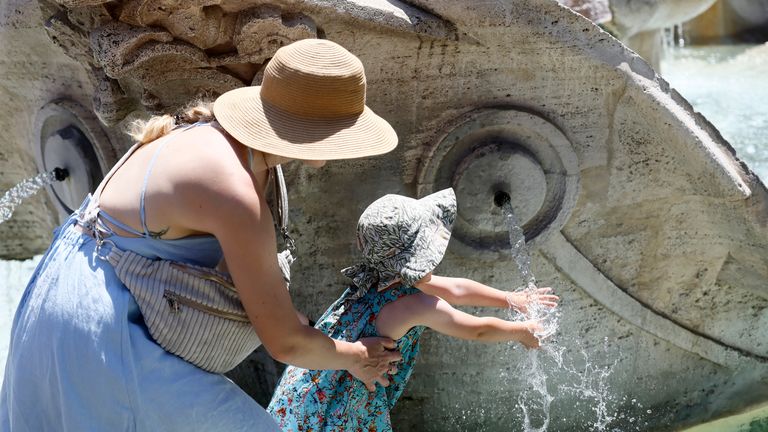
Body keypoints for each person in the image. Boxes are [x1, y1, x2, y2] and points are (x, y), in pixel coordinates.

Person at [0, 38, 403, 431]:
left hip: (72, 295)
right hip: (99, 330)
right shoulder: (235, 193)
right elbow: (286, 344)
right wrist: (355, 356)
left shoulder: (220, 136)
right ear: (320, 134)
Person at [267, 188, 559, 431]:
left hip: (310, 390)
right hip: (342, 411)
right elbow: (477, 329)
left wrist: (510, 299)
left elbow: (456, 288)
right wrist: (522, 331)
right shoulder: (414, 305)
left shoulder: (377, 277)